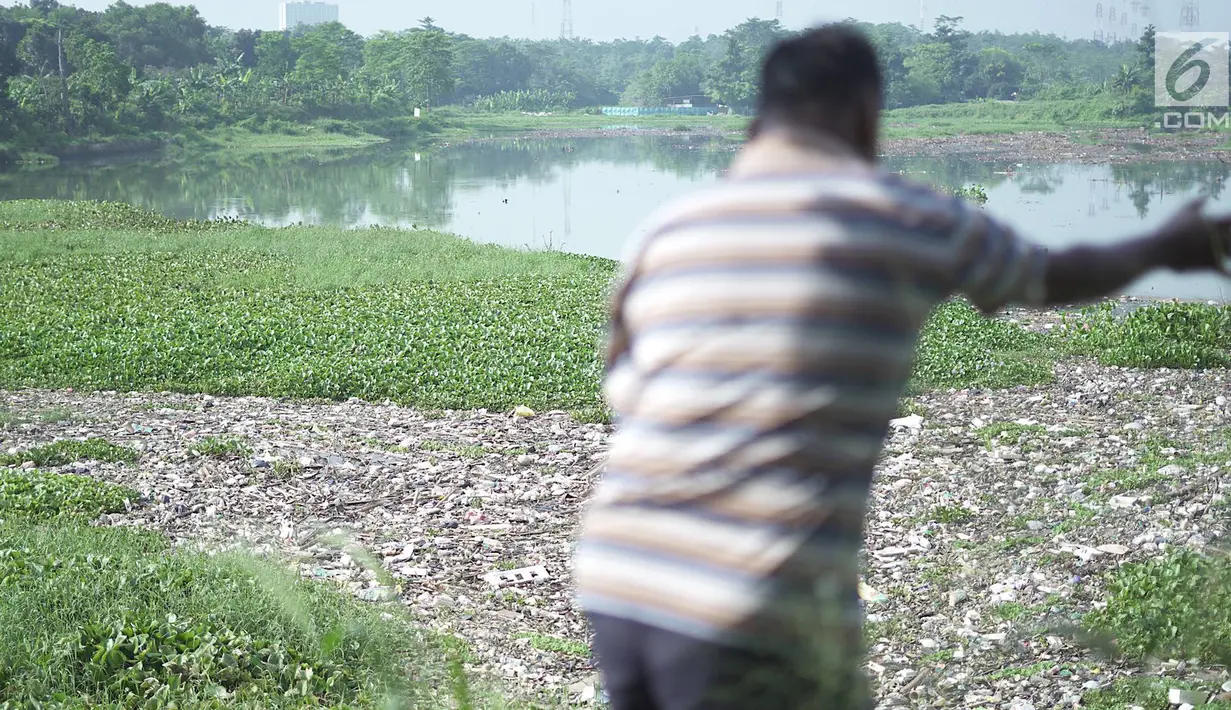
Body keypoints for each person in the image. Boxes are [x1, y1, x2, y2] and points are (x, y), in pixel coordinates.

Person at [572, 22, 1231, 710]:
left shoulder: (669, 227)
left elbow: (628, 394)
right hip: (754, 598)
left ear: (756, 122)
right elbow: (1051, 276)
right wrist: (1160, 247)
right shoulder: (906, 215)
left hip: (620, 576)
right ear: (864, 115)